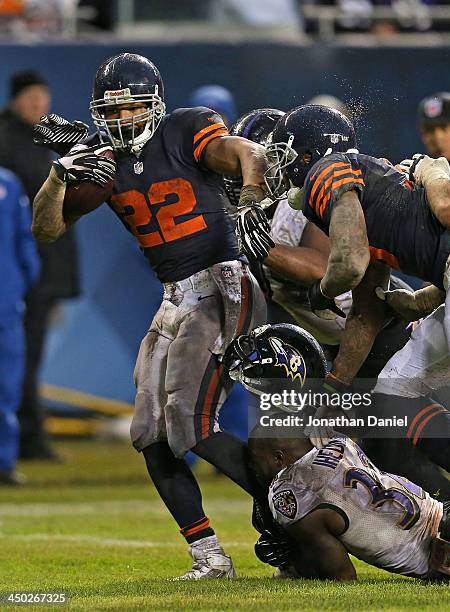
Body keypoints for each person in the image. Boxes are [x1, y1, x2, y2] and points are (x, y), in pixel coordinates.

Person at [31, 52, 275, 580]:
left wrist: (252, 197)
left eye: (133, 107)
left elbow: (247, 153)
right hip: (176, 296)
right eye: (111, 111)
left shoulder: (187, 128)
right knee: (150, 432)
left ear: (156, 102)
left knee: (189, 421)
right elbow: (47, 228)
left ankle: (287, 513)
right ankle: (207, 554)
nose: (122, 121)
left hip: (224, 281)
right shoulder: (101, 162)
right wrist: (57, 175)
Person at [262, 104, 450, 554]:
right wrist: (335, 385)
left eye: (280, 152)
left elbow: (348, 264)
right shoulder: (368, 190)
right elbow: (368, 310)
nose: (276, 164)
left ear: (302, 150)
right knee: (392, 389)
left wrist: (321, 289)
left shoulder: (327, 170)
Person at [227, 108, 450, 499]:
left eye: (259, 163)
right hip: (352, 337)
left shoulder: (309, 196)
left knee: (400, 447)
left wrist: (266, 251)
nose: (244, 176)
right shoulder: (262, 208)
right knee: (381, 453)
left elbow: (329, 267)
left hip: (385, 332)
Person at [225, 323, 450, 579]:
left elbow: (341, 575)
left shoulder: (291, 485)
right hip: (443, 516)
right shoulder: (332, 432)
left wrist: (292, 552)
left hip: (443, 541)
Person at [0, 70, 80, 460]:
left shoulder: (49, 136)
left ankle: (27, 434)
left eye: (42, 96)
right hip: (17, 268)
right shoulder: (5, 140)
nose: (37, 103)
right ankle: (26, 436)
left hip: (43, 266)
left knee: (28, 354)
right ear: (14, 99)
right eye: (30, 96)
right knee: (20, 355)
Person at [0, 167, 40, 484]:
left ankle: (4, 462)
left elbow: (25, 239)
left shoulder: (8, 183)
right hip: (9, 299)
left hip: (6, 304)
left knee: (7, 387)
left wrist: (19, 286)